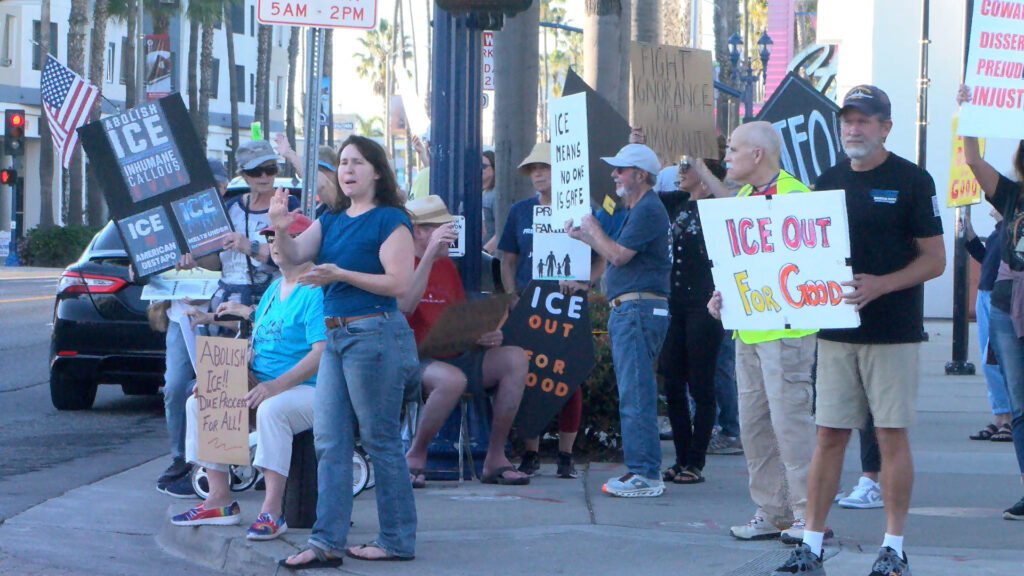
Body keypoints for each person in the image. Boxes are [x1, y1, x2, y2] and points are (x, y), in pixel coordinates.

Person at [772, 85, 945, 576]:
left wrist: (882, 285)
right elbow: (793, 260)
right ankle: (811, 544)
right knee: (828, 435)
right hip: (836, 331)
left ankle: (893, 548)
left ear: (885, 127)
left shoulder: (912, 180)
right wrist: (740, 299)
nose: (853, 128)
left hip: (893, 332)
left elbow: (935, 260)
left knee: (890, 435)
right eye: (847, 120)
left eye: (864, 120)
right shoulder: (825, 181)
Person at [272, 135, 420, 568]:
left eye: (357, 162)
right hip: (336, 338)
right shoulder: (332, 218)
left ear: (377, 171)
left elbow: (398, 284)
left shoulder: (390, 219)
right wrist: (281, 226)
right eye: (342, 163)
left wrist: (342, 273)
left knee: (379, 441)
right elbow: (293, 259)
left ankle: (396, 538)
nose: (347, 170)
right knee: (330, 441)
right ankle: (326, 543)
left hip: (374, 334)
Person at [171, 215, 325, 541]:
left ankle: (272, 511)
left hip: (309, 389)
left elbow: (321, 353)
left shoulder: (316, 289)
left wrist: (274, 386)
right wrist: (223, 377)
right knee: (203, 399)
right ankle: (219, 500)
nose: (276, 245)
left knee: (272, 410)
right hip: (266, 383)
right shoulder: (272, 289)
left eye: (284, 237)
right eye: (270, 238)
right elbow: (255, 341)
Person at [706, 121, 818, 543]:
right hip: (748, 331)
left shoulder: (797, 198)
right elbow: (741, 267)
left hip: (787, 332)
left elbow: (813, 268)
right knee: (754, 426)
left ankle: (810, 513)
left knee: (790, 423)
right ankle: (772, 511)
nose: (726, 157)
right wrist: (722, 296)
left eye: (732, 149)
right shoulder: (744, 199)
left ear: (757, 155)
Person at [399, 195, 530, 487]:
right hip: (415, 356)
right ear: (419, 231)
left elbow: (457, 318)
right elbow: (404, 305)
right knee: (452, 381)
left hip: (455, 353)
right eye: (443, 228)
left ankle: (495, 458)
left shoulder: (447, 266)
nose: (452, 233)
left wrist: (483, 333)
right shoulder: (403, 262)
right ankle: (416, 455)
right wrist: (429, 254)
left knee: (515, 358)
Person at [566, 143, 671, 497]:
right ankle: (643, 469)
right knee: (634, 390)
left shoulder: (647, 210)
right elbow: (617, 251)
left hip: (637, 310)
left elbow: (618, 256)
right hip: (635, 310)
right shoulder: (640, 209)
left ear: (640, 175)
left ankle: (645, 473)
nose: (614, 175)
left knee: (636, 392)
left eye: (620, 170)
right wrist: (586, 235)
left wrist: (592, 229)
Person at [498, 142, 599, 479]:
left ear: (562, 173)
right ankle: (531, 453)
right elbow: (507, 259)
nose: (537, 174)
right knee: (528, 378)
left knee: (567, 379)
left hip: (568, 305)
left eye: (544, 168)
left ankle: (567, 456)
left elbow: (603, 255)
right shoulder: (519, 210)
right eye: (532, 169)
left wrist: (586, 285)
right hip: (528, 305)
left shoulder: (583, 211)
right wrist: (512, 296)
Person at [957, 84, 1024, 522]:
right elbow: (974, 162)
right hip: (1008, 305)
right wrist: (970, 114)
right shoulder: (1013, 195)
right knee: (1019, 405)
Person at [154, 158, 230, 497]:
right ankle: (180, 459)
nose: (212, 190)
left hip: (216, 317)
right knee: (175, 388)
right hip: (178, 316)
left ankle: (216, 470)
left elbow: (223, 262)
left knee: (215, 391)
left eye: (217, 185)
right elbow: (148, 260)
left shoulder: (229, 219)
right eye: (206, 184)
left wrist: (197, 261)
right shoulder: (171, 221)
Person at [657, 156, 727, 485]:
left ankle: (695, 461)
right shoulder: (676, 202)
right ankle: (681, 456)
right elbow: (644, 189)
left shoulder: (720, 206)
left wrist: (704, 168)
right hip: (676, 303)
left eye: (687, 167)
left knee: (701, 383)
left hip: (705, 303)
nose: (679, 172)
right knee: (672, 378)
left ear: (705, 176)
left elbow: (728, 201)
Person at [963, 208, 1013, 442]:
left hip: (1001, 295)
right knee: (988, 358)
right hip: (986, 293)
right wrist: (971, 237)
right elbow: (986, 260)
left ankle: (1011, 417)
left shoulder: (1013, 228)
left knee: (1001, 358)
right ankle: (1000, 414)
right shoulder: (998, 231)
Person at [482, 150, 498, 250]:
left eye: (483, 166)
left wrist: (485, 251)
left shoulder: (495, 194)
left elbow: (501, 229)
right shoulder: (482, 193)